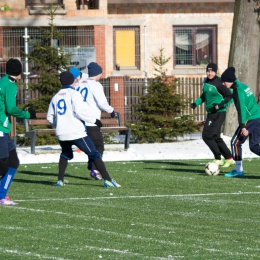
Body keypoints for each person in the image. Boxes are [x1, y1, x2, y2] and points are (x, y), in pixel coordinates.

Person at [47, 71, 121, 187]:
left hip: (62, 133)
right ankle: (107, 180)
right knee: (94, 154)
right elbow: (80, 112)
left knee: (66, 154)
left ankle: (60, 180)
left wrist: (60, 124)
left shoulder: (56, 97)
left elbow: (50, 117)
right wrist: (94, 120)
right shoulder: (74, 94)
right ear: (72, 81)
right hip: (76, 133)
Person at [69, 64, 115, 181]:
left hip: (80, 121)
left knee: (91, 146)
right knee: (99, 146)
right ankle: (94, 169)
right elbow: (102, 103)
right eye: (101, 73)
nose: (101, 75)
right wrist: (111, 110)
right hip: (91, 121)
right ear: (98, 73)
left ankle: (91, 163)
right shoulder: (95, 85)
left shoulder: (80, 84)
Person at [0, 58, 36, 205]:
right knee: (3, 165)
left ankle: (2, 195)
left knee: (13, 162)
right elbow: (11, 109)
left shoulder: (3, 80)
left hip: (4, 130)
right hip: (0, 130)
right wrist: (28, 115)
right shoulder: (10, 85)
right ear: (19, 72)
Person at [190, 63, 235, 167]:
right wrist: (196, 103)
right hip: (211, 114)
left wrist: (220, 105)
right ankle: (228, 157)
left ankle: (218, 158)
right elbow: (204, 96)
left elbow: (229, 96)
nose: (210, 73)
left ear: (216, 72)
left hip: (219, 113)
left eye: (212, 71)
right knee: (210, 136)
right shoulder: (205, 81)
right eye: (208, 71)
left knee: (210, 135)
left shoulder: (219, 83)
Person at [220, 67, 260, 177]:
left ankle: (238, 170)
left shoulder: (238, 90)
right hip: (257, 116)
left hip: (250, 118)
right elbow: (235, 99)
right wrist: (222, 104)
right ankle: (238, 169)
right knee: (254, 146)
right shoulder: (242, 86)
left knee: (235, 143)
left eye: (224, 81)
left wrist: (243, 126)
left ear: (230, 80)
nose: (223, 84)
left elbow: (242, 109)